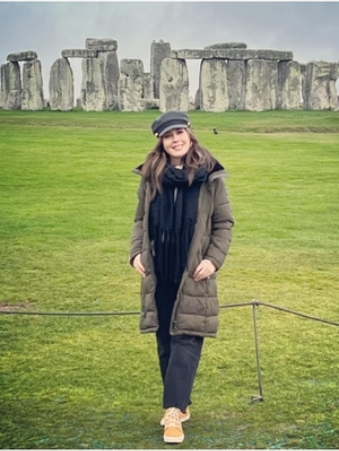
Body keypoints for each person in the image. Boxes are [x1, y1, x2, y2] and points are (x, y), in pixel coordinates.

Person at [130, 111, 234, 444]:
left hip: (195, 271)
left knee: (186, 339)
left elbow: (224, 223)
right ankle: (182, 402)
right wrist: (135, 252)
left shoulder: (211, 176)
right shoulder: (151, 176)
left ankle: (173, 413)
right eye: (168, 135)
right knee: (165, 343)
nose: (175, 139)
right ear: (160, 141)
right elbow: (139, 220)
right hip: (160, 271)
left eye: (180, 132)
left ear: (190, 134)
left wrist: (213, 260)